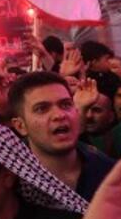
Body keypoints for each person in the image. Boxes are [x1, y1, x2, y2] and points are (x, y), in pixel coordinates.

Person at [7, 72, 112, 201]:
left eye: (66, 105)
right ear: (20, 126)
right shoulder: (9, 185)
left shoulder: (110, 175)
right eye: (42, 109)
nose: (59, 115)